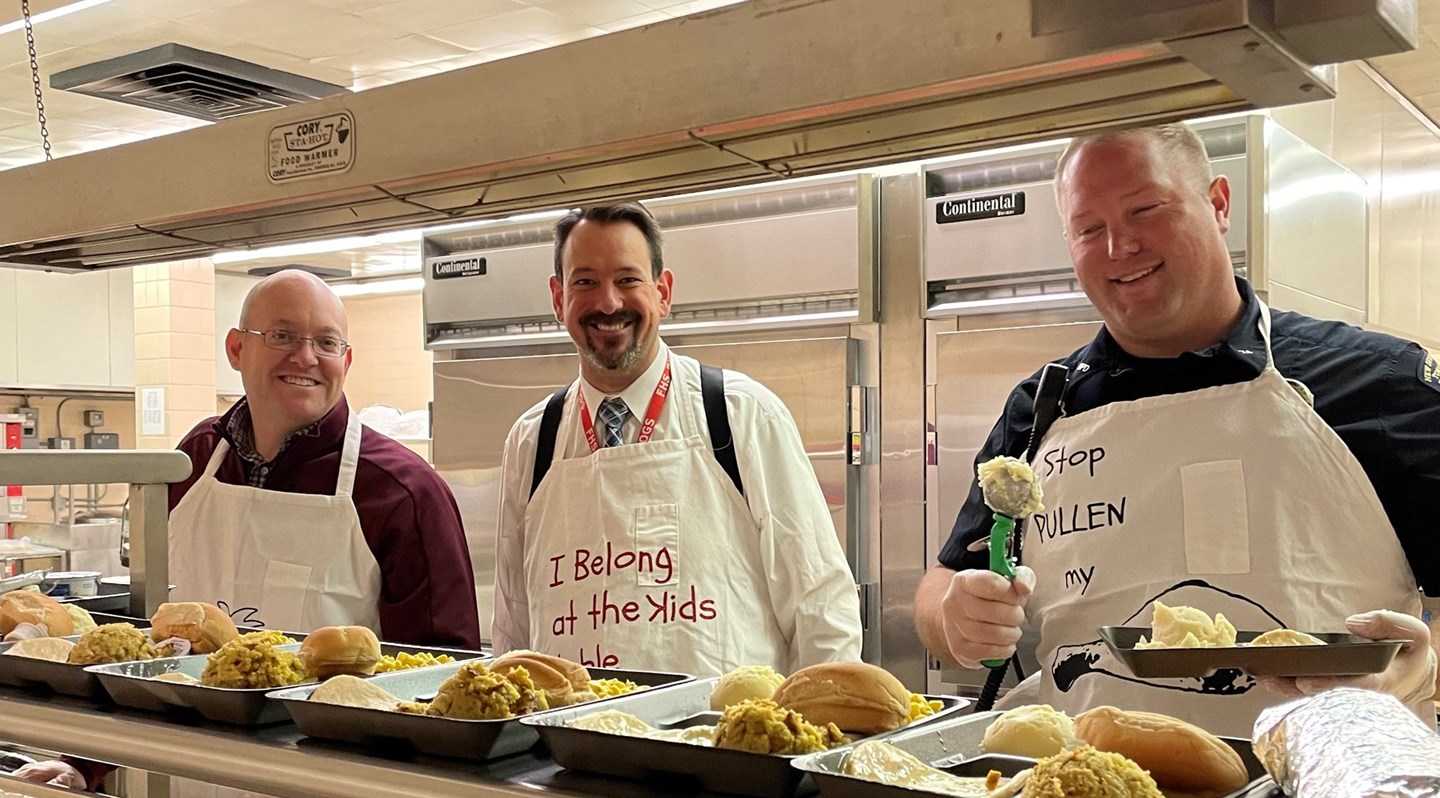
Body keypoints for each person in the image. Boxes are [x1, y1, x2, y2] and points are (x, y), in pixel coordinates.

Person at [913, 123, 1440, 738]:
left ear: (1218, 204)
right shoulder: (1043, 406)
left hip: (1326, 773)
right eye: (1089, 229)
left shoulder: (1382, 384)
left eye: (1146, 209)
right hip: (1091, 776)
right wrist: (953, 617)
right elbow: (945, 580)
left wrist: (1421, 673)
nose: (1118, 247)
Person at [16, 269, 480, 790]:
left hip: (323, 782)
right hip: (181, 775)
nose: (305, 357)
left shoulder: (403, 490)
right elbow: (147, 654)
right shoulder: (188, 462)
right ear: (236, 349)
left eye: (326, 342)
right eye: (282, 336)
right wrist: (84, 760)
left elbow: (442, 681)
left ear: (346, 361)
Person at [491, 203, 862, 677]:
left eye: (628, 279)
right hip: (571, 744)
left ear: (662, 293)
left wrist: (814, 733)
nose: (608, 303)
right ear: (558, 297)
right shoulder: (532, 439)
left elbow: (822, 607)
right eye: (585, 282)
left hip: (720, 744)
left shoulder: (740, 414)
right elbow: (512, 628)